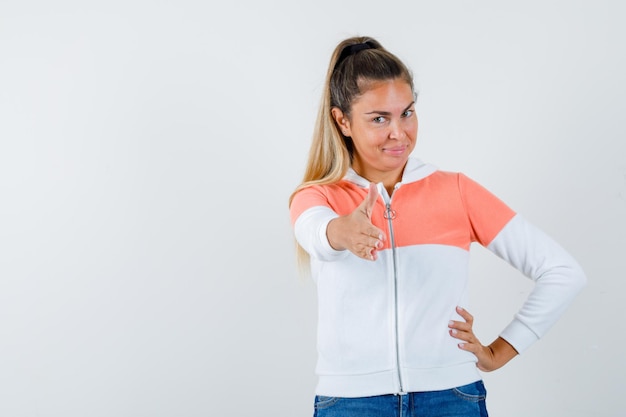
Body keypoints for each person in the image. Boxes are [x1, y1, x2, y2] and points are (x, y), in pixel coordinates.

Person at [288, 36, 586, 417]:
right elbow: (314, 230)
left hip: (451, 397)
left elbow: (563, 272)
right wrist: (341, 232)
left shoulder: (457, 191)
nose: (399, 132)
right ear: (342, 120)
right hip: (350, 402)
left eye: (407, 113)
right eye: (379, 118)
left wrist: (501, 350)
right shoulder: (318, 196)